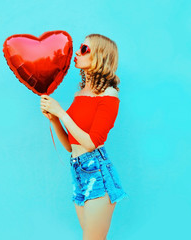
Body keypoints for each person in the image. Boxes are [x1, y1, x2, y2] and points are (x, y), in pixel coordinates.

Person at [40, 33, 127, 240]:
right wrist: (54, 119)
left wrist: (61, 112)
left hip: (97, 172)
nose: (77, 53)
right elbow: (71, 146)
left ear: (100, 57)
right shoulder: (79, 95)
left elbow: (91, 143)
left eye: (84, 49)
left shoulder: (109, 95)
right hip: (78, 170)